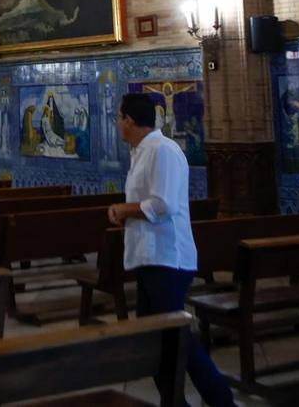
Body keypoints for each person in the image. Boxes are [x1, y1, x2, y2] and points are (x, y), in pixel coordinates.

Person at [108, 93, 234, 407]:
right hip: (150, 258)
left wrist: (124, 210)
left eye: (118, 118)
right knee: (154, 340)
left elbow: (162, 204)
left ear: (129, 121)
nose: (117, 124)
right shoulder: (142, 151)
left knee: (178, 339)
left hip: (168, 259)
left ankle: (222, 401)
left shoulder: (162, 150)